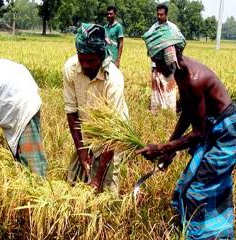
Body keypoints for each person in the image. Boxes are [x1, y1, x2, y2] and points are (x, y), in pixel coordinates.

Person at [138, 19, 236, 239]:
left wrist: (162, 147)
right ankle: (215, 232)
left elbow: (198, 133)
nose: (156, 67)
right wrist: (170, 149)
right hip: (214, 127)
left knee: (198, 190)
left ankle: (204, 235)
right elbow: (188, 114)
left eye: (157, 61)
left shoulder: (193, 78)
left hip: (227, 133)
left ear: (169, 58)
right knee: (191, 182)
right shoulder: (181, 73)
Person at [64, 23, 129, 194]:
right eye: (81, 58)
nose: (85, 65)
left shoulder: (113, 80)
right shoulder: (71, 68)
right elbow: (72, 113)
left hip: (112, 135)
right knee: (73, 183)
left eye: (91, 60)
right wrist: (82, 153)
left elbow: (112, 134)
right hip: (86, 132)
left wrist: (97, 179)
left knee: (106, 193)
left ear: (101, 57)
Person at [146, 4, 183, 114]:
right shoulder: (154, 27)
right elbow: (149, 41)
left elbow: (180, 42)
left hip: (169, 66)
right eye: (157, 14)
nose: (159, 16)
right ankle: (155, 111)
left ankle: (169, 112)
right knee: (156, 89)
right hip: (156, 65)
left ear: (166, 14)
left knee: (169, 89)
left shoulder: (172, 28)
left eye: (161, 14)